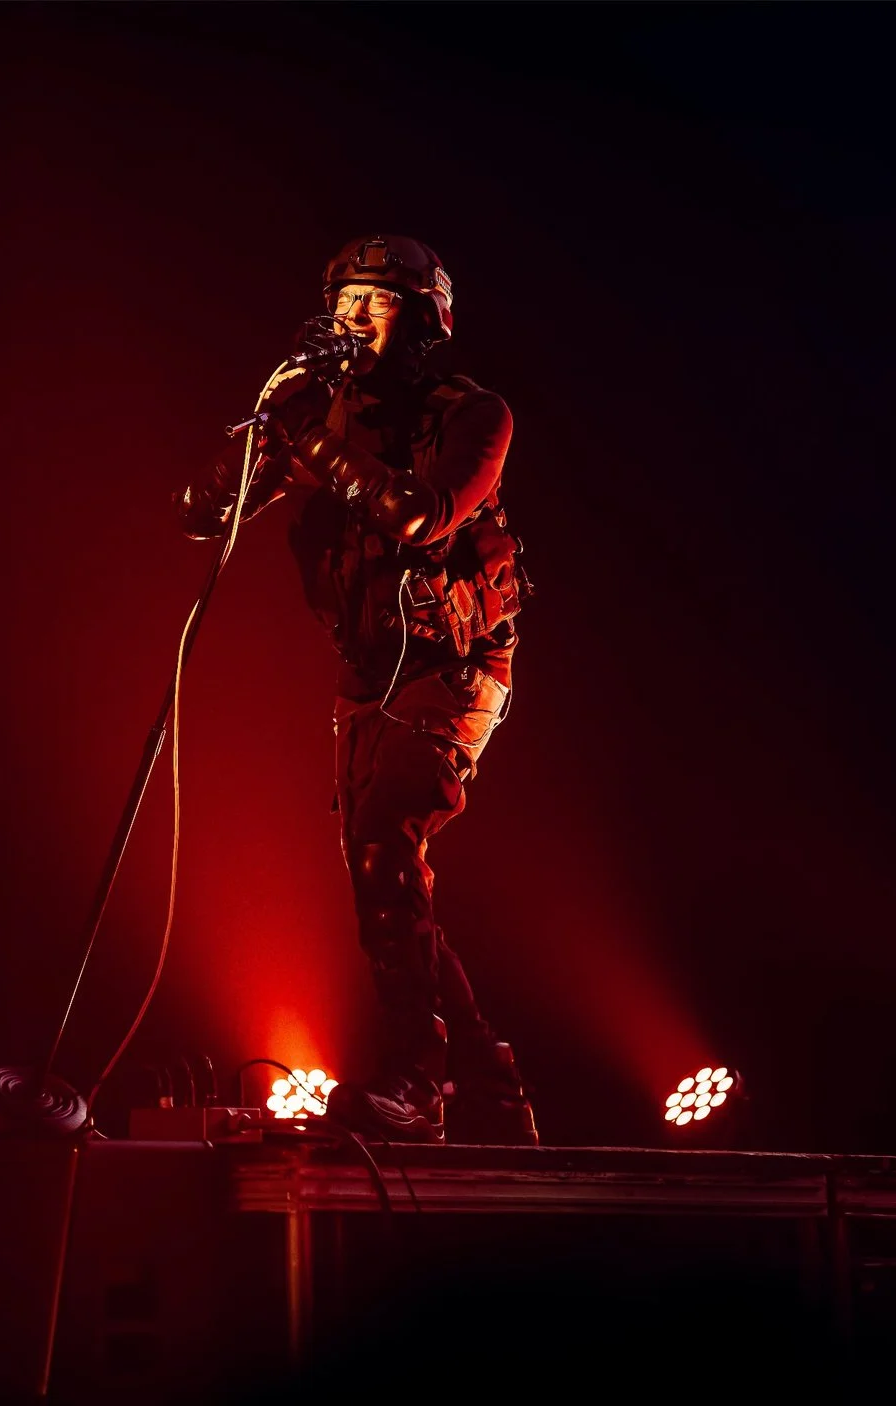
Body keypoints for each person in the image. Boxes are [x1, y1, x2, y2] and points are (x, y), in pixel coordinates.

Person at [180, 235, 537, 1144]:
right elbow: (199, 517)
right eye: (344, 303)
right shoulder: (319, 409)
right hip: (365, 677)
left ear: (422, 319)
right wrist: (262, 436)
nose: (351, 319)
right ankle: (493, 1087)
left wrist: (318, 447)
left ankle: (415, 1085)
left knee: (386, 851)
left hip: (454, 671)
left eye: (374, 303)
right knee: (391, 885)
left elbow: (425, 519)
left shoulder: (475, 415)